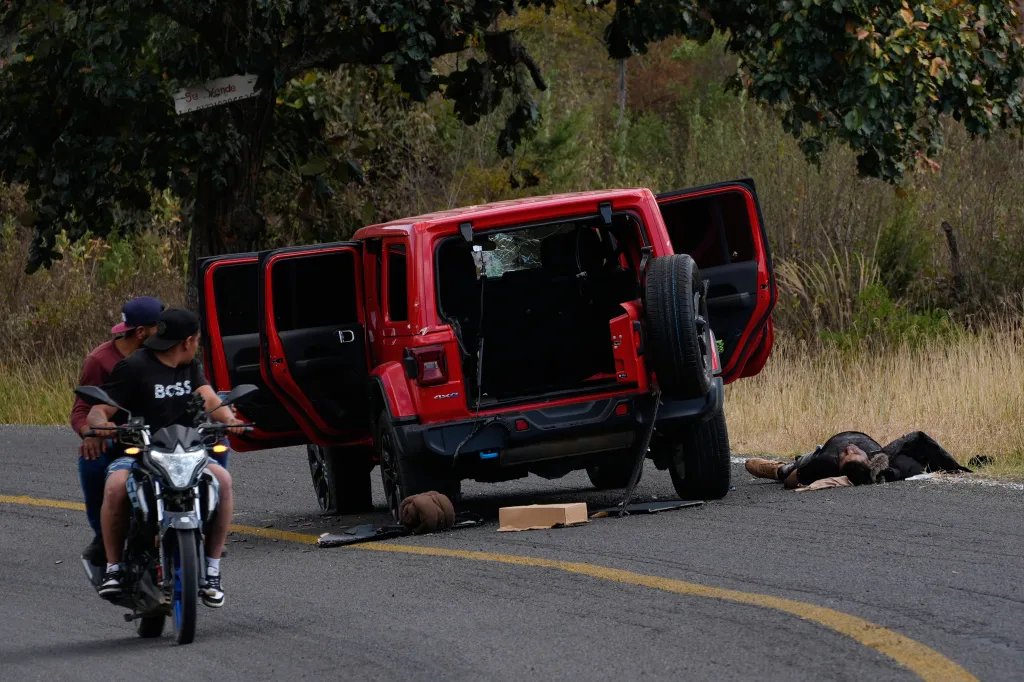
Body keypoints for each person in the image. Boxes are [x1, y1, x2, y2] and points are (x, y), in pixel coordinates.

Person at [86, 307, 243, 608]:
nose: (197, 345)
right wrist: (101, 424)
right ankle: (114, 569)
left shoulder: (189, 366)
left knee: (223, 480)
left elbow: (211, 400)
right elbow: (99, 409)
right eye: (197, 340)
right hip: (140, 455)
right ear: (186, 341)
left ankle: (212, 571)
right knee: (116, 486)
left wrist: (229, 419)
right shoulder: (134, 367)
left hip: (186, 454)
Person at [71, 296, 164, 565]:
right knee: (91, 459)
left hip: (157, 434)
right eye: (160, 326)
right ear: (140, 332)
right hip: (118, 436)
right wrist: (90, 432)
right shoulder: (99, 361)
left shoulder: (162, 353)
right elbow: (81, 410)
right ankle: (103, 535)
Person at [745, 431, 969, 488]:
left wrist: (806, 470)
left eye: (847, 455)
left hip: (818, 456)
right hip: (837, 449)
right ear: (867, 459)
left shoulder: (828, 463)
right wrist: (954, 466)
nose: (849, 449)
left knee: (792, 470)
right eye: (853, 453)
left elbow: (792, 483)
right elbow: (915, 453)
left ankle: (779, 468)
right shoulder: (882, 460)